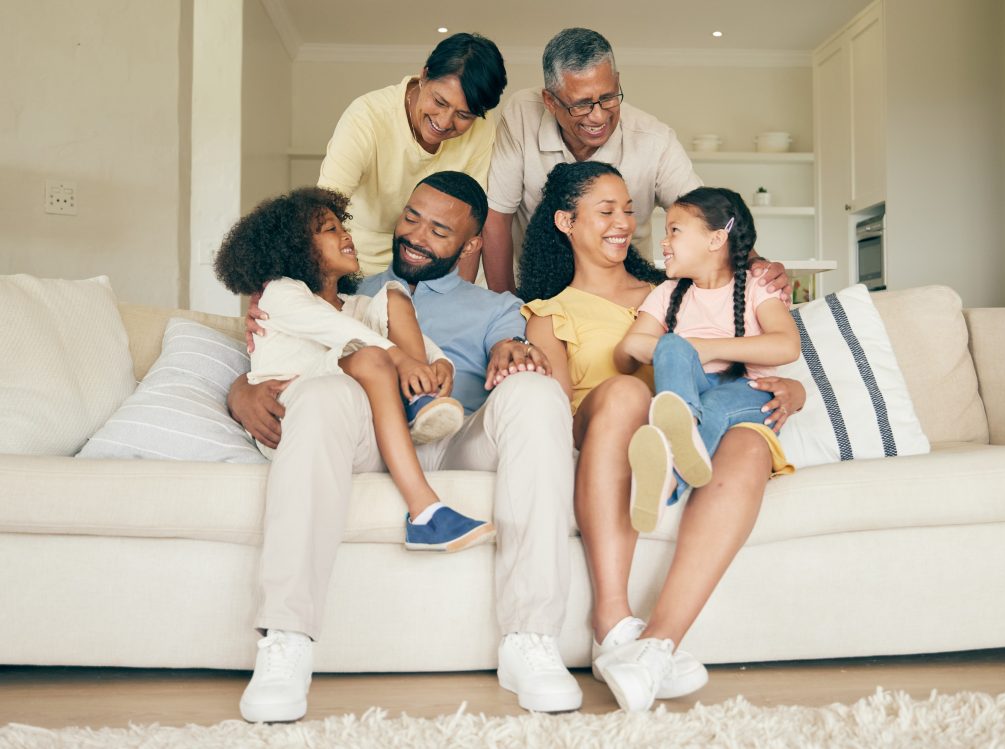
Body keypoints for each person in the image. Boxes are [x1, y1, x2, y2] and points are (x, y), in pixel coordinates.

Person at [228, 172, 584, 721]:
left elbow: (515, 347)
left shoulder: (493, 307)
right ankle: (286, 638)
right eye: (411, 217)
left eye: (439, 230)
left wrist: (512, 353)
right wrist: (241, 391)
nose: (416, 235)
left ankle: (530, 638)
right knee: (322, 395)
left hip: (458, 434)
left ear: (470, 246)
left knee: (535, 396)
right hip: (371, 436)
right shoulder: (349, 293)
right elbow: (282, 350)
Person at [518, 161, 804, 713]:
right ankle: (611, 619)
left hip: (699, 416)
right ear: (565, 222)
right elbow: (551, 415)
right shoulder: (548, 313)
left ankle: (655, 645)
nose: (625, 222)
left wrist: (792, 390)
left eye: (630, 210)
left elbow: (746, 320)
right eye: (607, 211)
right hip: (612, 425)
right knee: (627, 392)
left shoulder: (676, 286)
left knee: (749, 440)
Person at [213, 184, 492, 578]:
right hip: (295, 414)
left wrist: (438, 364)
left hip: (361, 424)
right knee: (370, 355)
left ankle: (419, 398)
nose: (345, 235)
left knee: (394, 298)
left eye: (341, 226)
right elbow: (341, 334)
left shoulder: (362, 305)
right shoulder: (280, 293)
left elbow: (420, 345)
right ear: (295, 248)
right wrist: (398, 361)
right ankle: (425, 509)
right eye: (328, 230)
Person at [483, 27, 796, 296]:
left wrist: (754, 261)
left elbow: (708, 214)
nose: (598, 116)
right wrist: (508, 309)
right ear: (550, 102)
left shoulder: (653, 140)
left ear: (617, 81)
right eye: (581, 105)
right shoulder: (521, 114)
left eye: (608, 97)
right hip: (540, 288)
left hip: (625, 290)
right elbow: (497, 217)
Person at [614, 187, 800, 532]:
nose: (663, 241)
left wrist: (710, 348)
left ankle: (668, 480)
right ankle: (680, 427)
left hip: (750, 390)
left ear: (715, 240)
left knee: (712, 403)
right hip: (693, 395)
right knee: (670, 345)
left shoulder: (757, 285)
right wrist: (676, 348)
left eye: (674, 230)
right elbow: (628, 349)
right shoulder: (667, 293)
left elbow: (787, 346)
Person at [317, 32, 506, 281]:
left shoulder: (482, 126)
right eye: (439, 102)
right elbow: (320, 212)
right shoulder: (367, 118)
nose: (444, 121)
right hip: (364, 265)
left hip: (440, 267)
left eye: (463, 115)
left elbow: (471, 220)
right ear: (424, 76)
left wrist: (461, 294)